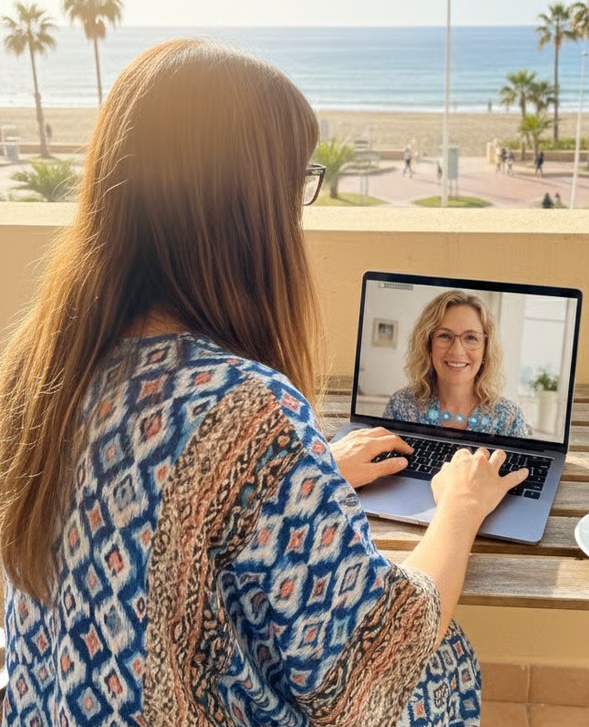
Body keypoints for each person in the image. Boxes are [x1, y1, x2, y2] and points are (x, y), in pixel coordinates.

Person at [0, 40, 529, 726]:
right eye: (295, 180)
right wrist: (459, 505)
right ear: (247, 204)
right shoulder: (247, 413)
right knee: (438, 658)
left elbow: (158, 511)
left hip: (50, 707)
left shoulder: (40, 364)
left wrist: (298, 478)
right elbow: (371, 665)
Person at [384, 289, 529, 437]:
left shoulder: (509, 418)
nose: (457, 351)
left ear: (486, 349)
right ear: (428, 345)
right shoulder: (401, 405)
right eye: (445, 335)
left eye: (471, 338)